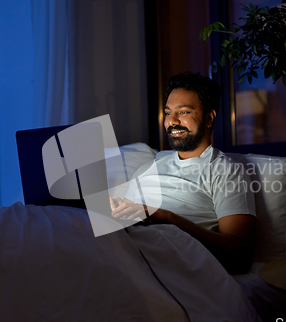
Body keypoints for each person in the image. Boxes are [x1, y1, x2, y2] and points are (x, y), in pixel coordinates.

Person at [109, 72, 256, 274]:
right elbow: (127, 218)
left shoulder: (224, 169)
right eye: (168, 112)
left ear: (209, 118)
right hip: (125, 248)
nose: (172, 121)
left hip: (168, 259)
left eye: (184, 112)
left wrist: (169, 218)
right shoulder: (149, 168)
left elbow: (241, 257)